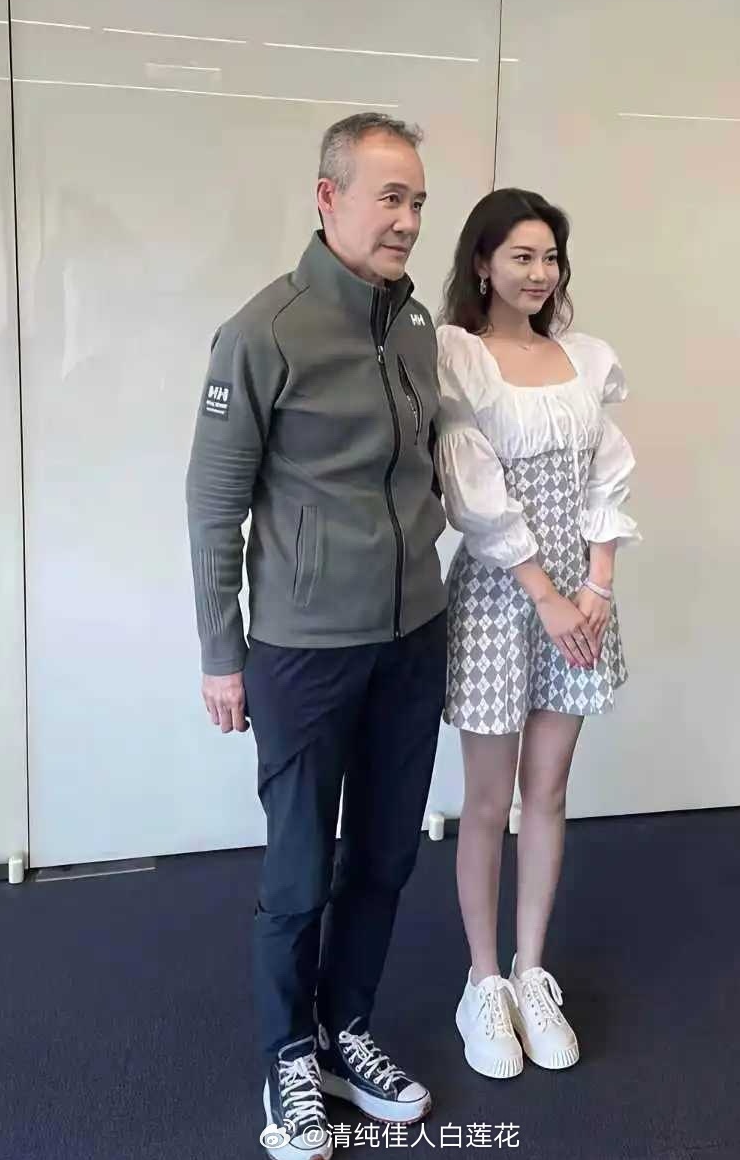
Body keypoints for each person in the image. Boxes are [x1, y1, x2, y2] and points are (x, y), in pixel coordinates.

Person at [185, 113, 448, 1160]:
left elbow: (431, 463)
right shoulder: (264, 332)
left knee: (384, 854)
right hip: (304, 649)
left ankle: (347, 1030)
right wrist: (222, 652)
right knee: (299, 868)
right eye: (390, 197)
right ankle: (287, 1054)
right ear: (328, 198)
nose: (408, 220)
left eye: (418, 201)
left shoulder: (416, 326)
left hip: (412, 635)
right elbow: (215, 504)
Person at [434, 187, 640, 1080]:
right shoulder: (460, 356)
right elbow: (472, 493)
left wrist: (596, 586)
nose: (539, 272)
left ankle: (530, 973)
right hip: (500, 595)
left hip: (579, 601)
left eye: (550, 256)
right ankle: (482, 982)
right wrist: (546, 596)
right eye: (521, 255)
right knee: (487, 802)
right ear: (482, 263)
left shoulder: (585, 359)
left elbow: (608, 477)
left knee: (548, 792)